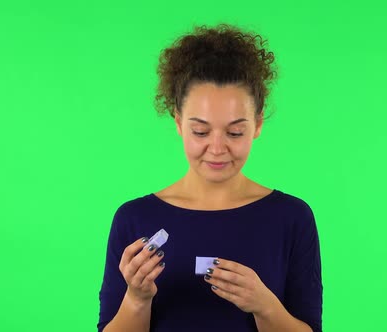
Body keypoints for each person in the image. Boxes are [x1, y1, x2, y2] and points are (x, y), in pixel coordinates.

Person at [97, 23, 323, 332]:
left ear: (257, 125)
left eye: (235, 132)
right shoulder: (134, 219)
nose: (217, 149)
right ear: (178, 123)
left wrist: (264, 305)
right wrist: (137, 298)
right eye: (200, 131)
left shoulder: (292, 218)